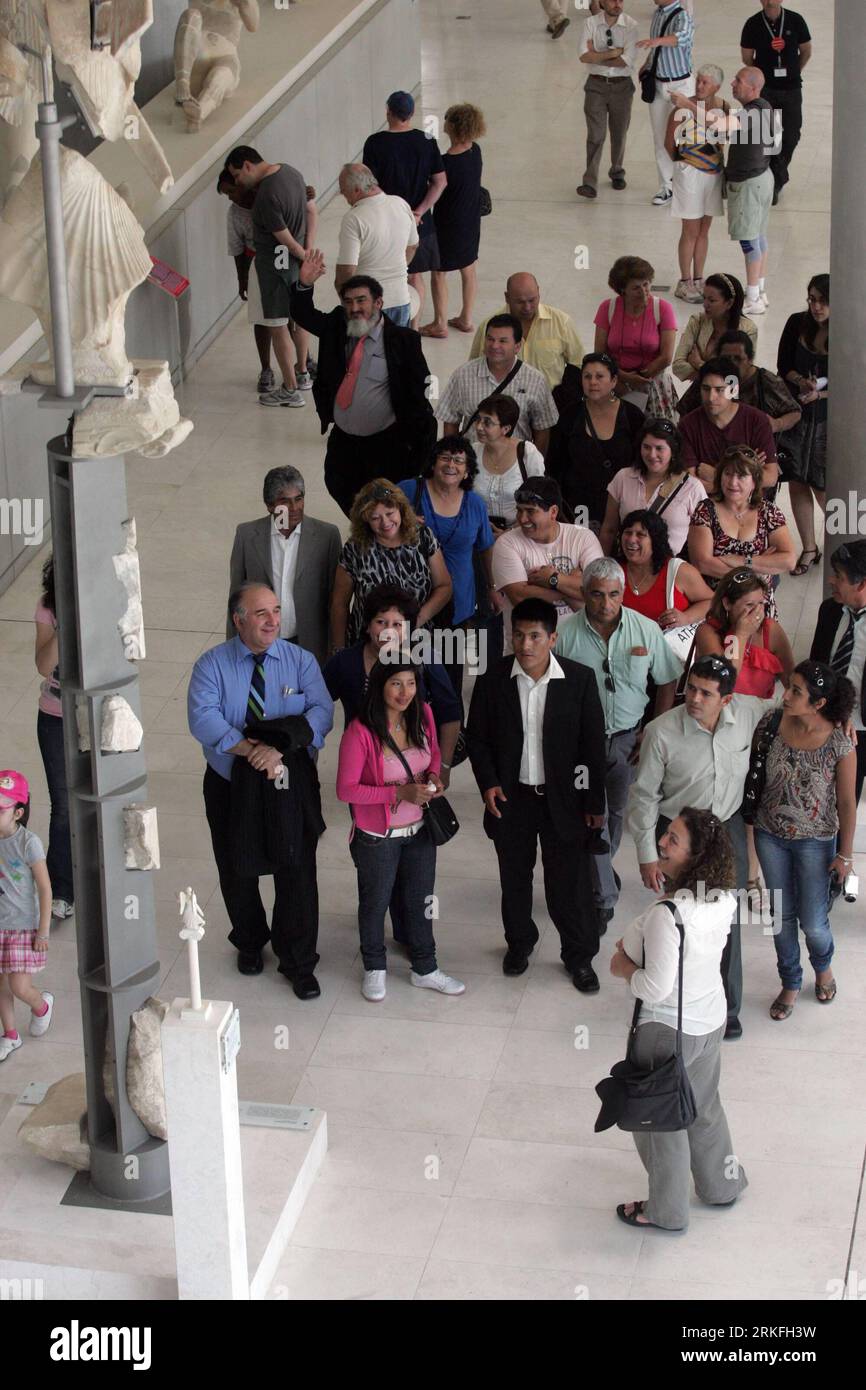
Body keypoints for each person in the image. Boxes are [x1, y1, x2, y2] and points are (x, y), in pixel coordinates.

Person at [187, 584, 334, 996]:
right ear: (238, 620)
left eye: (276, 611)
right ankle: (250, 940)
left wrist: (277, 748)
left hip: (289, 779)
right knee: (236, 866)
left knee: (298, 867)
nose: (273, 621)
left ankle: (298, 960)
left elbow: (322, 713)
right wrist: (252, 749)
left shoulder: (300, 660)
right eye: (260, 613)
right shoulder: (211, 665)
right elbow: (202, 718)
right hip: (231, 781)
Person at [627, 654, 779, 1039]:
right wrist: (648, 855)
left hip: (725, 828)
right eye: (691, 688)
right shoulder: (662, 731)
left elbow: (790, 700)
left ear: (726, 700)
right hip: (677, 832)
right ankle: (668, 995)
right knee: (679, 917)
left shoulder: (747, 711)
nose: (694, 698)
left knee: (726, 918)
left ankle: (727, 1008)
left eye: (706, 693)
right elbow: (644, 798)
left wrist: (839, 717)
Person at [611, 806, 747, 1230]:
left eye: (673, 840)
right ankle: (722, 1186)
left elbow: (654, 987)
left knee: (659, 1121)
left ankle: (666, 1212)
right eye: (665, 834)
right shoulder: (724, 898)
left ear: (694, 857)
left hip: (664, 1032)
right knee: (704, 1106)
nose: (662, 844)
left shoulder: (667, 917)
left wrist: (624, 967)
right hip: (710, 1021)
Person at [466, 598, 607, 991]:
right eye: (518, 635)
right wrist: (488, 782)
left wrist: (594, 803)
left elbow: (592, 746)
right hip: (512, 800)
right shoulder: (492, 680)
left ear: (552, 638)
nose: (525, 644)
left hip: (565, 801)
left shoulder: (578, 680)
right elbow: (477, 739)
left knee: (569, 884)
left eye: (534, 636)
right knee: (514, 879)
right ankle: (519, 944)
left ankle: (579, 957)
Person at [557, 559, 683, 932]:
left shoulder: (645, 630)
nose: (606, 603)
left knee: (615, 816)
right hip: (582, 744)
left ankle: (598, 873)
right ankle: (602, 898)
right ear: (583, 594)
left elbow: (667, 680)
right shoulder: (565, 635)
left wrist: (653, 729)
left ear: (623, 593)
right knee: (592, 818)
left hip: (629, 740)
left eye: (614, 594)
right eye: (597, 594)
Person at [335, 655, 464, 1001]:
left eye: (410, 683)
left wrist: (435, 775)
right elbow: (346, 789)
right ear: (379, 687)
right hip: (378, 836)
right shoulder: (360, 731)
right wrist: (398, 793)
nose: (404, 692)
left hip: (420, 830)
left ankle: (426, 967)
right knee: (375, 902)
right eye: (395, 683)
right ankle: (374, 968)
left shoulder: (424, 714)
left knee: (421, 899)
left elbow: (434, 753)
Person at [289, 250, 436, 516]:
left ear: (378, 303)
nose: (354, 308)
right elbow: (303, 314)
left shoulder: (403, 341)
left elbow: (418, 397)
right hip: (344, 440)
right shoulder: (337, 325)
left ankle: (372, 533)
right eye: (348, 302)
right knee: (338, 484)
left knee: (383, 504)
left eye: (361, 301)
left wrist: (418, 455)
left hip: (385, 444)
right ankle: (363, 527)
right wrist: (304, 284)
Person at [754, 663, 856, 1021]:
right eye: (790, 687)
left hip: (816, 841)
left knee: (813, 921)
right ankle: (791, 981)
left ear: (819, 703)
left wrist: (845, 855)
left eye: (796, 691)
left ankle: (823, 967)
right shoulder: (770, 723)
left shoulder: (840, 742)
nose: (786, 695)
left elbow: (846, 803)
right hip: (770, 835)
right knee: (781, 916)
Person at [398, 436, 497, 706]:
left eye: (458, 460)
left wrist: (491, 588)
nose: (451, 465)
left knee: (448, 680)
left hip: (457, 605)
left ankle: (449, 742)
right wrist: (402, 523)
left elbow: (486, 548)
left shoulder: (475, 503)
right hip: (411, 601)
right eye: (445, 457)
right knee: (409, 679)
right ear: (433, 462)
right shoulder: (408, 491)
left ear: (467, 470)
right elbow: (373, 520)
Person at [324, 585, 461, 781]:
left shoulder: (423, 658)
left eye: (397, 624)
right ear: (368, 625)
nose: (388, 631)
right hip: (365, 770)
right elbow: (317, 702)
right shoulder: (345, 662)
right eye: (381, 622)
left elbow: (450, 713)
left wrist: (444, 766)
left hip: (416, 772)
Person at [227, 466, 341, 665]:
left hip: (309, 645)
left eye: (299, 498)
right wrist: (232, 647)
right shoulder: (247, 535)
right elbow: (236, 596)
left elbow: (335, 597)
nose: (294, 507)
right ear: (270, 505)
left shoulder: (327, 536)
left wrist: (335, 647)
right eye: (284, 501)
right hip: (260, 643)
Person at [224, 146, 311, 406]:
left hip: (273, 266)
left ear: (248, 165)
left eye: (238, 175)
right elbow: (311, 211)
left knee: (277, 326)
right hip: (294, 264)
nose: (238, 182)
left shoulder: (265, 195)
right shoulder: (292, 173)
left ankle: (290, 388)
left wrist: (301, 252)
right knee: (300, 318)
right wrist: (306, 252)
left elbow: (281, 234)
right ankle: (303, 373)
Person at [330, 479, 452, 651]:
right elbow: (339, 604)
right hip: (367, 645)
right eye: (375, 518)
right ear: (365, 520)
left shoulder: (422, 537)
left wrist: (417, 620)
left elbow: (444, 586)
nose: (385, 523)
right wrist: (339, 649)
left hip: (415, 643)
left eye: (389, 513)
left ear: (401, 510)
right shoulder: (355, 548)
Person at [362, 91, 447, 325]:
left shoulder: (375, 143)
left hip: (384, 221)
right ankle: (414, 326)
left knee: (386, 274)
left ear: (388, 112)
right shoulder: (427, 140)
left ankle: (387, 323)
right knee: (415, 274)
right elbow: (440, 181)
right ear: (411, 114)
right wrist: (419, 211)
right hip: (421, 222)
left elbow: (369, 186)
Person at [492, 476, 603, 653]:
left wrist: (552, 579)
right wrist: (569, 585)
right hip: (528, 653)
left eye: (530, 511)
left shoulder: (583, 537)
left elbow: (599, 590)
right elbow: (520, 598)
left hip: (580, 649)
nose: (522, 519)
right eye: (519, 510)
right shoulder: (507, 543)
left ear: (553, 512)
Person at [688, 446, 796, 613]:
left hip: (759, 606)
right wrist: (758, 570)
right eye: (728, 474)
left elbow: (788, 560)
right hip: (717, 604)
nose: (733, 482)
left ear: (754, 481)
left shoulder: (768, 512)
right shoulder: (705, 510)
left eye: (742, 476)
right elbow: (703, 563)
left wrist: (742, 560)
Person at [545, 353, 645, 532]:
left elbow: (642, 463)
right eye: (587, 376)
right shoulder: (570, 415)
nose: (592, 382)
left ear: (614, 381)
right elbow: (554, 464)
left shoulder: (633, 416)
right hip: (577, 506)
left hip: (621, 504)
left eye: (599, 376)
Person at [436, 314, 559, 454]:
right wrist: (455, 458)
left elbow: (542, 429)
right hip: (473, 464)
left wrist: (533, 468)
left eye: (503, 341)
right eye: (490, 339)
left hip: (515, 467)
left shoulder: (536, 380)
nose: (494, 346)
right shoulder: (463, 374)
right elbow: (451, 420)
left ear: (518, 346)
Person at [776, 274, 829, 574]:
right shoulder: (797, 322)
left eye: (822, 301)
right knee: (797, 479)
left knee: (823, 485)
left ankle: (846, 541)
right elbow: (785, 366)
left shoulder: (846, 328)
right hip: (797, 413)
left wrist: (821, 394)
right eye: (812, 299)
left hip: (828, 417)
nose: (816, 306)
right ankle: (809, 546)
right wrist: (801, 382)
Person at [0, 770, 54, 1061]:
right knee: (1, 984)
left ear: (18, 812)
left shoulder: (28, 843)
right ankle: (9, 1035)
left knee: (19, 986)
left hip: (22, 927)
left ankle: (41, 1005)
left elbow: (45, 889)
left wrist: (42, 932)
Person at [420, 103, 485, 338]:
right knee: (468, 268)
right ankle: (466, 318)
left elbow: (433, 188)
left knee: (439, 272)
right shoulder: (475, 151)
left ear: (453, 127)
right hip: (471, 220)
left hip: (447, 224)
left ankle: (440, 323)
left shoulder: (444, 163)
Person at [599, 416, 707, 558]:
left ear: (673, 451)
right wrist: (600, 565)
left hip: (670, 570)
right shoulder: (623, 478)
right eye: (646, 447)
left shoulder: (692, 487)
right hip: (628, 566)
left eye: (659, 448)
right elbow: (609, 529)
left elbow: (704, 540)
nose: (652, 455)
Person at [665, 67, 730, 302]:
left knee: (704, 230)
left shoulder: (723, 107)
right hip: (689, 172)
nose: (700, 86)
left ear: (716, 87)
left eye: (706, 83)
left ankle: (699, 278)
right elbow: (669, 142)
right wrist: (686, 163)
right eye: (699, 81)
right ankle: (685, 281)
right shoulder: (681, 108)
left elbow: (724, 135)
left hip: (712, 173)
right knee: (690, 230)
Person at [714, 69, 775, 314]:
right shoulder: (763, 107)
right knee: (759, 236)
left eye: (738, 80)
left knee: (750, 242)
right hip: (762, 178)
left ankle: (752, 298)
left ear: (753, 87)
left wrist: (686, 104)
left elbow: (718, 124)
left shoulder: (752, 113)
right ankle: (759, 290)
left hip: (750, 185)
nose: (732, 83)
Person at [34, 558, 74, 922]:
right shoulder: (49, 607)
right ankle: (61, 889)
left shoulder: (109, 600)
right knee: (63, 805)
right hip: (55, 717)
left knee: (101, 800)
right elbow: (44, 666)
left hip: (97, 717)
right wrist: (66, 621)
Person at [811, 541, 866, 805]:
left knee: (849, 802)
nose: (831, 580)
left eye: (839, 577)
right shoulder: (829, 611)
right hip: (828, 721)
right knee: (823, 800)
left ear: (862, 585)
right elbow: (817, 666)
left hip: (863, 728)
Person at [741, 1, 812, 204]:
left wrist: (794, 70)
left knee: (791, 135)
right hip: (767, 90)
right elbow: (747, 57)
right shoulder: (753, 23)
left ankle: (778, 175)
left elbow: (806, 50)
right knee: (768, 136)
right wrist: (761, 76)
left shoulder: (795, 20)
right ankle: (774, 181)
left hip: (791, 88)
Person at [676, 329, 801, 439]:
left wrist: (777, 424)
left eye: (738, 359)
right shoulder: (708, 379)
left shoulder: (765, 381)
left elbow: (794, 412)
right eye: (726, 358)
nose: (732, 364)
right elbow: (685, 411)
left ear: (750, 359)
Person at [469, 275, 585, 391]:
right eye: (520, 302)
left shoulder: (562, 323)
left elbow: (578, 364)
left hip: (551, 402)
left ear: (539, 292)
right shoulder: (488, 327)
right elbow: (475, 369)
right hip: (504, 405)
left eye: (532, 300)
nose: (527, 307)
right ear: (507, 297)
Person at [334, 165, 418, 326]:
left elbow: (347, 270)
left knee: (365, 351)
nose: (342, 194)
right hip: (401, 299)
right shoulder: (401, 204)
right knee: (397, 351)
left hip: (368, 306)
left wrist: (345, 297)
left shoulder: (354, 218)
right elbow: (412, 246)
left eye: (344, 190)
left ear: (357, 190)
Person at [678, 358, 779, 491]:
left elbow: (771, 477)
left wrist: (715, 475)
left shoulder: (757, 421)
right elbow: (689, 481)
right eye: (706, 389)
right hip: (705, 505)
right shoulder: (688, 425)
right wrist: (747, 473)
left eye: (719, 390)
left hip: (748, 506)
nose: (711, 397)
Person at [593, 257, 677, 412]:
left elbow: (666, 357)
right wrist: (622, 377)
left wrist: (641, 379)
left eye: (646, 284)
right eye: (636, 288)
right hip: (615, 383)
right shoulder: (607, 308)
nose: (643, 291)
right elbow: (599, 354)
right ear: (622, 290)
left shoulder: (663, 309)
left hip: (652, 385)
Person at [575, 0, 640, 201]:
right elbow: (583, 56)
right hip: (596, 85)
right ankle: (589, 181)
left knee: (619, 132)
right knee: (596, 134)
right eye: (613, 0)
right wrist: (612, 53)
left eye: (620, 0)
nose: (617, 4)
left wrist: (597, 54)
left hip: (622, 86)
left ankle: (617, 170)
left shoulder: (631, 25)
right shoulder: (590, 23)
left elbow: (626, 60)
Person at [695, 568, 793, 696]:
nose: (757, 611)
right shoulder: (707, 632)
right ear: (727, 604)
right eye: (749, 605)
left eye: (760, 603)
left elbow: (792, 681)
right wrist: (741, 635)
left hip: (758, 708)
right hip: (722, 708)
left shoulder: (770, 630)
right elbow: (725, 679)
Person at [637, 0, 695, 208]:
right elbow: (656, 49)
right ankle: (666, 186)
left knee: (682, 137)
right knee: (660, 137)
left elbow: (683, 37)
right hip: (659, 83)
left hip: (680, 86)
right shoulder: (657, 13)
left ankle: (687, 185)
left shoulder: (682, 15)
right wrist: (647, 64)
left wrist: (657, 41)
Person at [618, 508, 712, 631]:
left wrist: (686, 617)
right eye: (628, 532)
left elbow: (712, 602)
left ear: (655, 541)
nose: (631, 539)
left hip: (668, 648)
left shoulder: (679, 571)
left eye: (641, 534)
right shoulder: (614, 571)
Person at [672, 273, 757, 381]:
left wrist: (699, 364)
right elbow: (677, 365)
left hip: (733, 395)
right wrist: (715, 377)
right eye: (704, 298)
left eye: (712, 300)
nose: (705, 304)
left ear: (729, 303)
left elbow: (739, 375)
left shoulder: (748, 329)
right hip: (700, 392)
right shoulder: (697, 321)